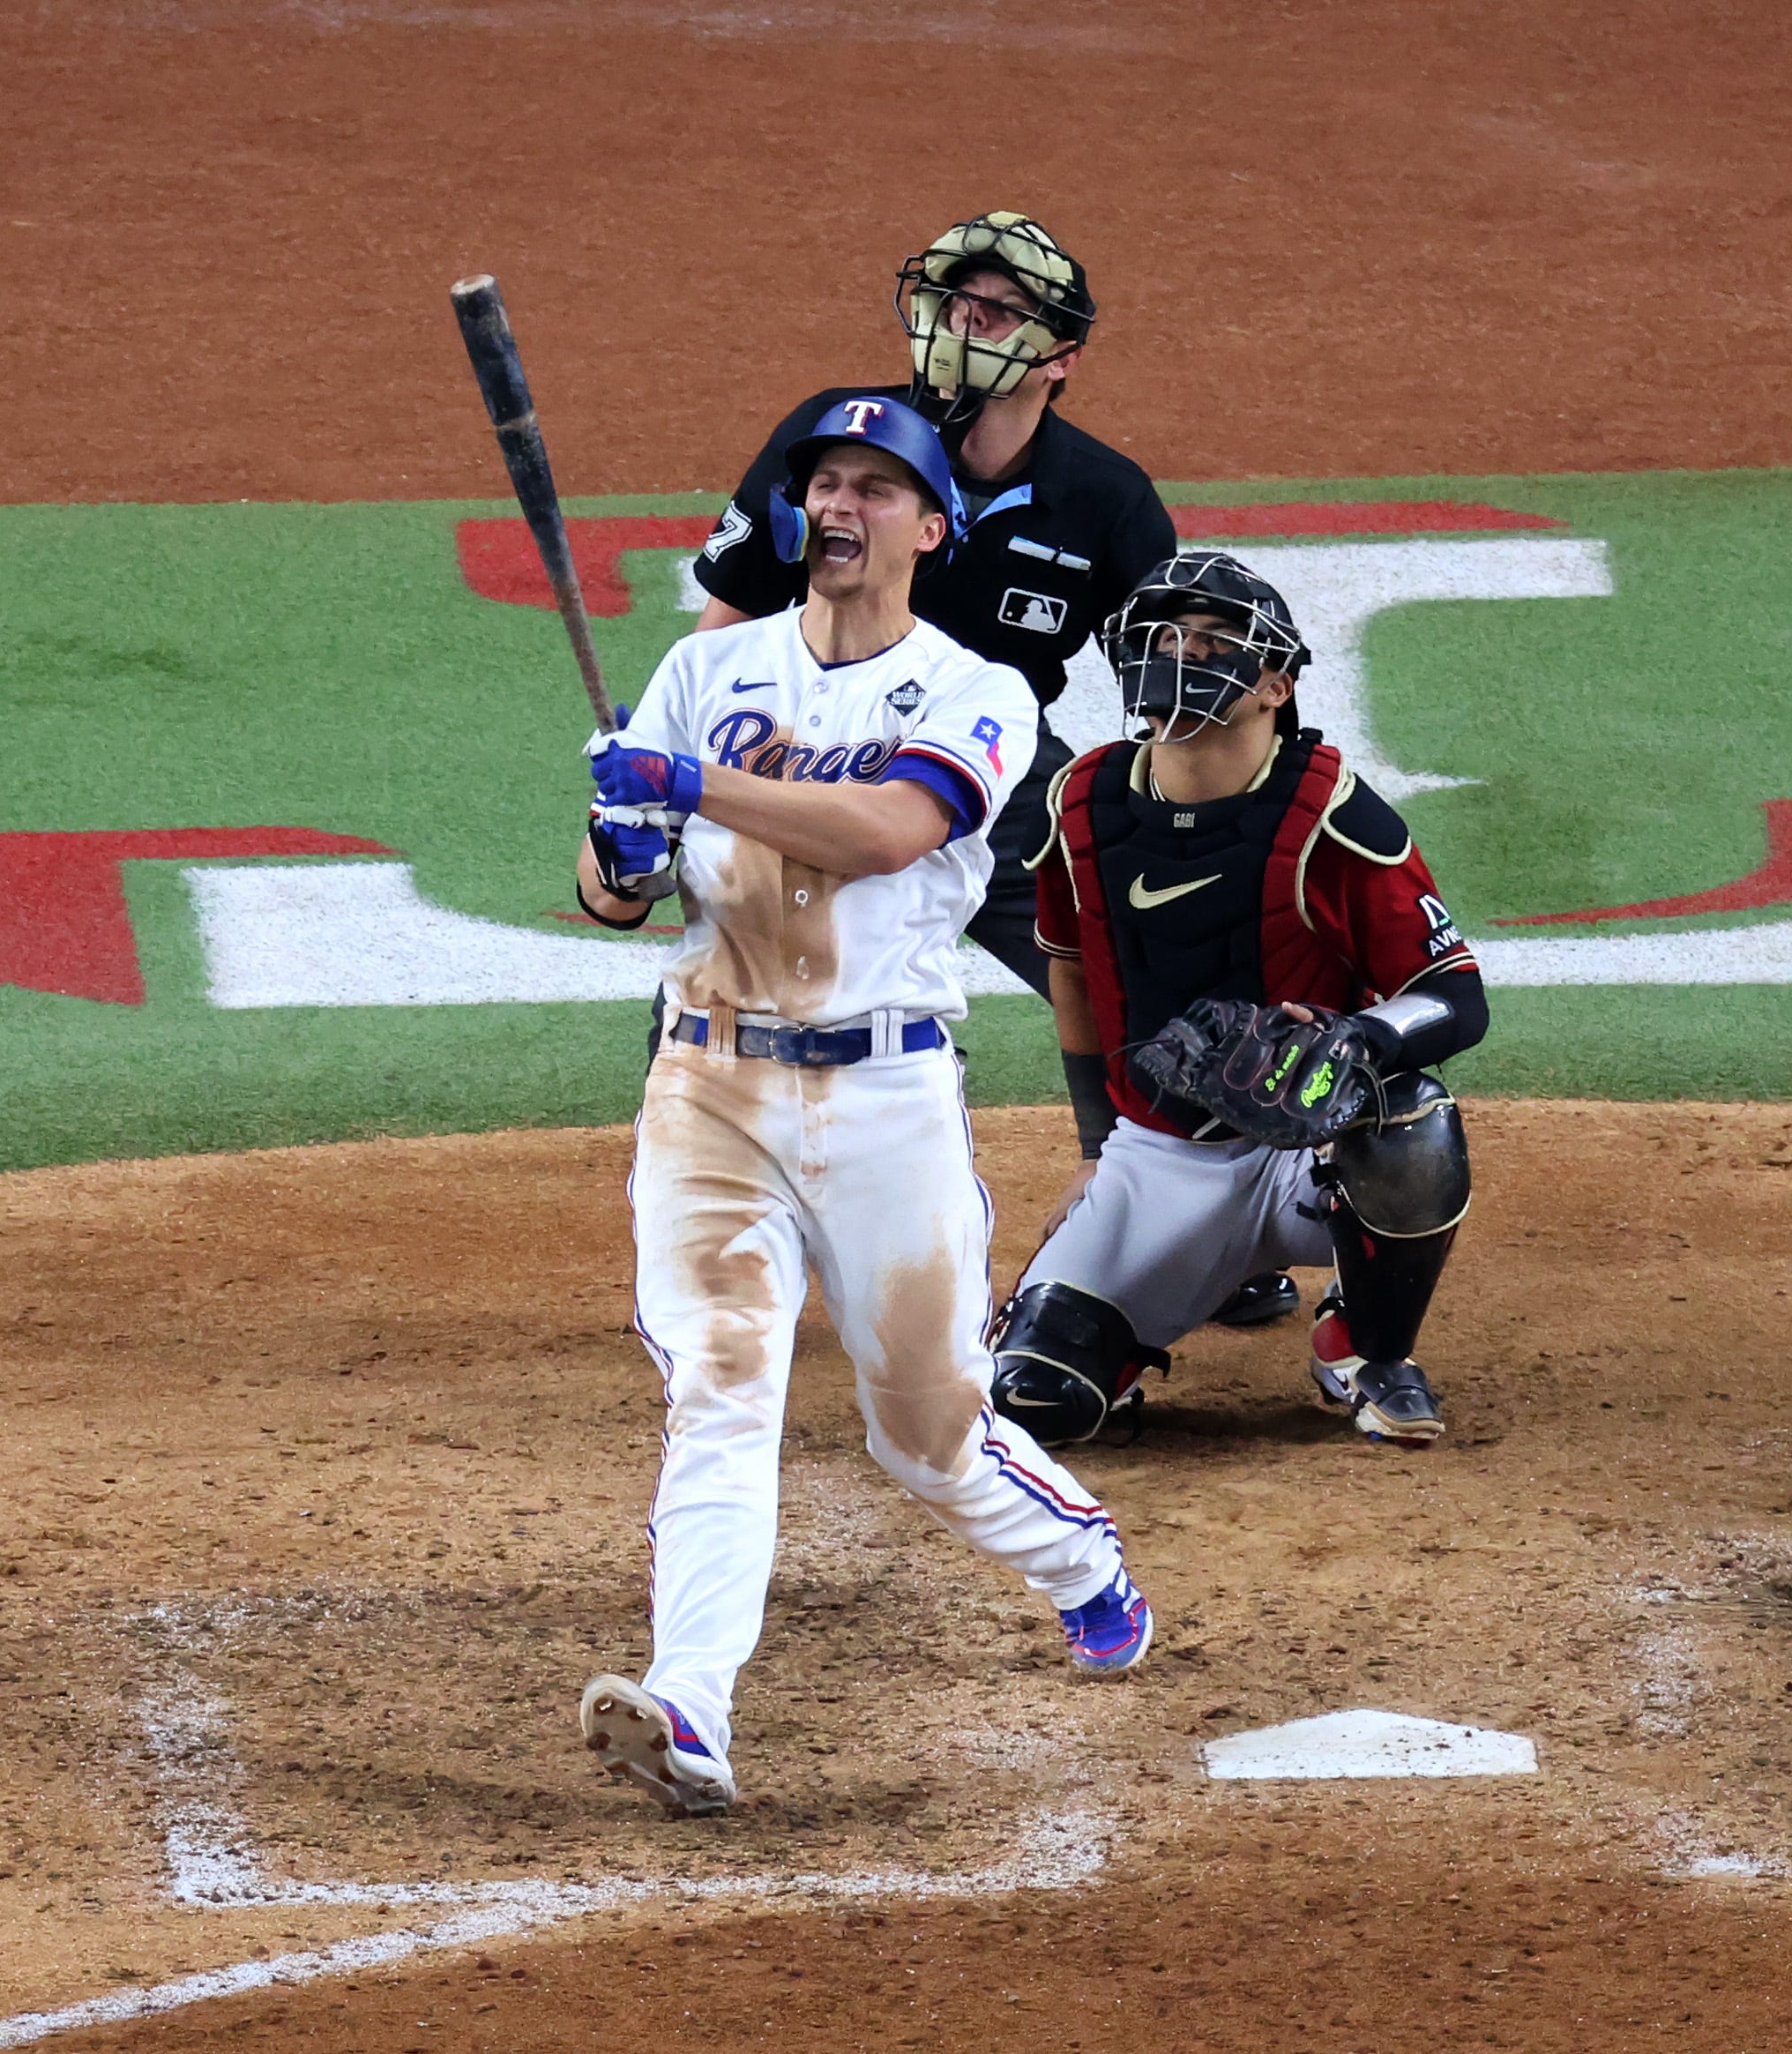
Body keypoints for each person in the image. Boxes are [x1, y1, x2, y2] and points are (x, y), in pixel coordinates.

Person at [571, 395, 1150, 1821]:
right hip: (708, 1084)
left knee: (928, 1432)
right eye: (821, 482)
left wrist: (690, 785)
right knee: (720, 1382)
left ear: (928, 527)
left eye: (874, 487)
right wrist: (622, 848)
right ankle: (691, 1703)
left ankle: (1084, 1566)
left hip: (885, 1093)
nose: (838, 503)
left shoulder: (975, 689)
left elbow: (893, 827)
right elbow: (601, 893)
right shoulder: (705, 669)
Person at [692, 211, 1299, 1333]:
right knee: (724, 985)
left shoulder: (1103, 499)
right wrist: (676, 768)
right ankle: (726, 1225)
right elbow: (722, 629)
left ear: (1058, 357)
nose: (960, 328)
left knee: (1134, 945)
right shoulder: (843, 444)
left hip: (996, 763)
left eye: (994, 313)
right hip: (812, 749)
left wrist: (1179, 826)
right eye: (950, 305)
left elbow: (1169, 677)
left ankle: (1183, 1208)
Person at [989, 552, 1490, 1449]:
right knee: (1035, 1403)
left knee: (1412, 1125)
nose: (1179, 656)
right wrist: (1098, 1147)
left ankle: (1367, 1346)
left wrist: (1361, 1037)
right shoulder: (1082, 802)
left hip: (1310, 1154)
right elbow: (1068, 969)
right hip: (1158, 1159)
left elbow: (1454, 993)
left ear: (1273, 684)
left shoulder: (1331, 812)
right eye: (1163, 637)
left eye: (1212, 643)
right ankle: (1137, 1315)